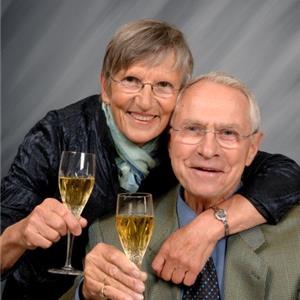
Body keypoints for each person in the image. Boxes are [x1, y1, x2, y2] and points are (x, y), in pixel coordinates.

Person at [1, 19, 300, 299]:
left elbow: (283, 174)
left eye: (163, 86)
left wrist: (207, 226)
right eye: (131, 80)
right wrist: (20, 234)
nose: (145, 102)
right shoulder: (57, 135)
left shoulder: (187, 145)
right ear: (106, 88)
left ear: (181, 96)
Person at [66, 71, 300, 300]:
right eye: (192, 129)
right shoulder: (110, 234)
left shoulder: (295, 241)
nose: (208, 150)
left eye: (228, 133)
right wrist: (85, 295)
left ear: (252, 148)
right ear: (170, 141)